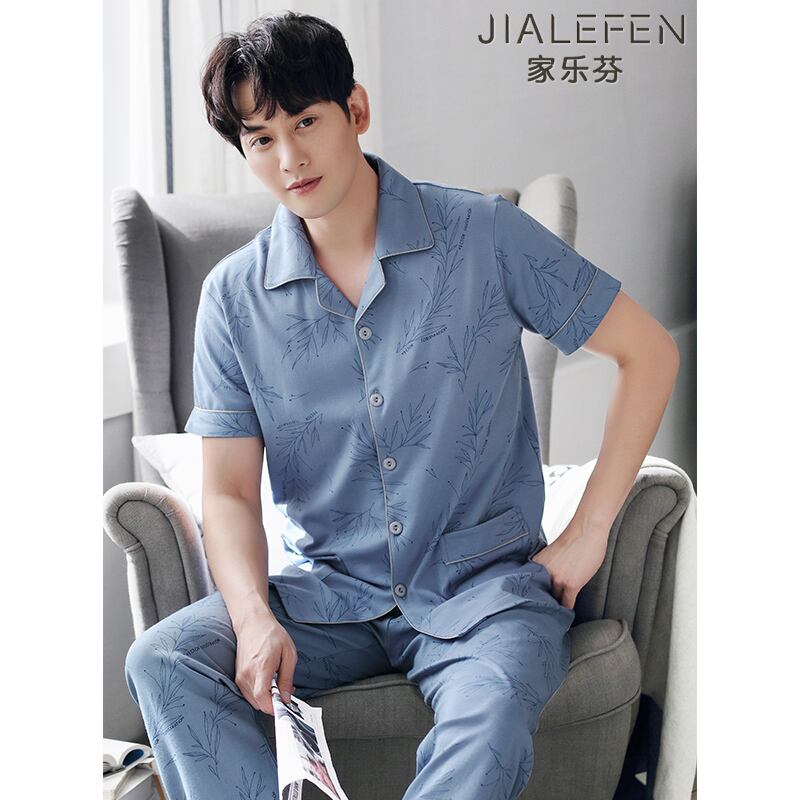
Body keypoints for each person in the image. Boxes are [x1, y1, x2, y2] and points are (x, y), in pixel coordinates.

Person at [123, 10, 679, 800]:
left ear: (356, 109)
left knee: (488, 720)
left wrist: (588, 533)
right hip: (328, 598)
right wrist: (252, 618)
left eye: (305, 122)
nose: (289, 158)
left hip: (486, 592)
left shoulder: (484, 236)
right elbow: (230, 492)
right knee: (164, 659)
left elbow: (650, 353)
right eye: (261, 139)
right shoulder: (233, 299)